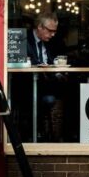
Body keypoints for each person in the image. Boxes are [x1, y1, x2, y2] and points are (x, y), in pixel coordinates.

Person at [24, 13, 67, 141]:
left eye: (55, 31)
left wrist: (58, 71)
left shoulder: (51, 42)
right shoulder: (23, 39)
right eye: (50, 31)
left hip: (45, 85)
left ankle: (53, 135)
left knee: (64, 92)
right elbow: (21, 62)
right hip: (25, 87)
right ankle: (35, 134)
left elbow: (53, 60)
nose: (53, 34)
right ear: (40, 27)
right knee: (49, 99)